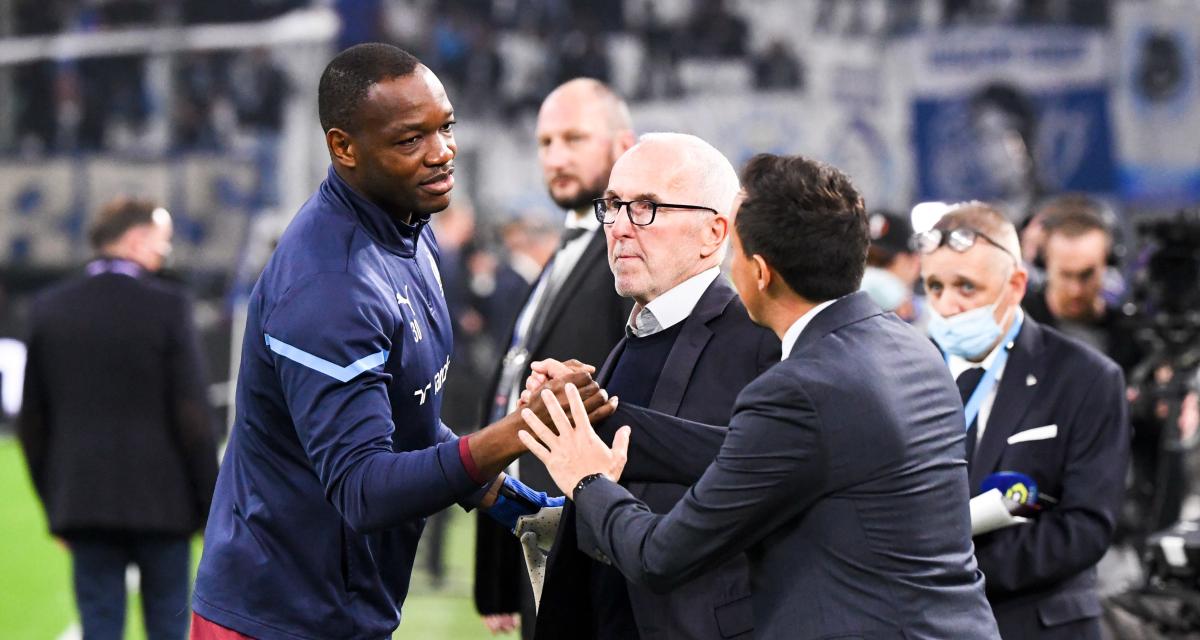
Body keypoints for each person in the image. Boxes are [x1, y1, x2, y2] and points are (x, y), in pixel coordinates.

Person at [190, 44, 612, 640]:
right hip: (274, 618)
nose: (443, 153)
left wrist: (521, 507)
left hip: (341, 610)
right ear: (344, 148)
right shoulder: (329, 288)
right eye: (410, 140)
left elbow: (409, 419)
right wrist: (519, 430)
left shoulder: (411, 233)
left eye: (446, 127)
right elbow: (363, 490)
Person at [518, 154, 1000, 639]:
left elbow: (659, 556)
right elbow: (741, 454)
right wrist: (595, 419)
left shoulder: (797, 389)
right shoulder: (913, 350)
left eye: (736, 252)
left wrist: (586, 479)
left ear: (761, 272)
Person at [528, 133, 779, 640]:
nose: (619, 227)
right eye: (613, 205)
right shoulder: (633, 339)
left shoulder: (759, 339)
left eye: (646, 207)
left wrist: (594, 419)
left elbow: (760, 474)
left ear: (714, 232)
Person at [917, 201, 1130, 639]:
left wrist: (956, 570)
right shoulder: (905, 372)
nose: (947, 304)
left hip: (1036, 622)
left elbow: (1086, 525)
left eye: (966, 287)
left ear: (1014, 285)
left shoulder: (1085, 378)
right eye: (934, 286)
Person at [474, 77, 635, 638]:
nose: (556, 156)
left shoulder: (629, 256)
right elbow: (511, 404)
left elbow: (632, 407)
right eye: (545, 143)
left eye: (574, 138)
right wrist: (497, 569)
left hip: (590, 545)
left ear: (622, 144)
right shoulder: (558, 256)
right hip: (537, 538)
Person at [17, 197, 219, 640]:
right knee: (169, 626)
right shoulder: (169, 306)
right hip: (165, 507)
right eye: (161, 245)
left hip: (84, 503)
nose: (162, 256)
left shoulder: (49, 309)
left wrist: (55, 505)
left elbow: (32, 422)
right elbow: (193, 418)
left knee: (100, 627)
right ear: (135, 239)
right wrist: (210, 508)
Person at [860, 208, 924, 324]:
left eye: (883, 263)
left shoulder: (936, 324)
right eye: (864, 262)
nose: (871, 272)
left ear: (914, 263)